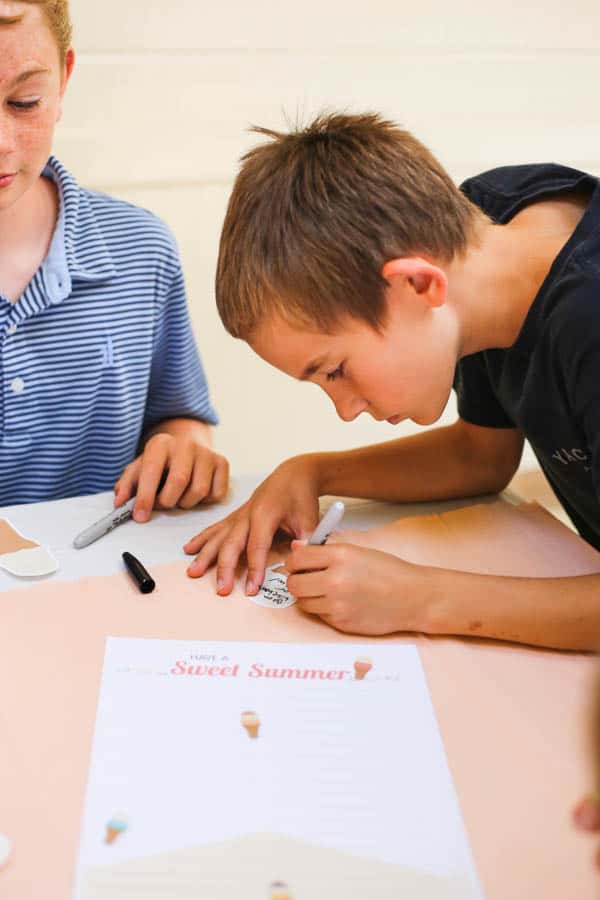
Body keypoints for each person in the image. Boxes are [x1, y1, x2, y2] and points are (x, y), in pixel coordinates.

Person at [185, 112, 600, 650]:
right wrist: (313, 472)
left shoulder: (588, 316)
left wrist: (420, 597)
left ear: (416, 284)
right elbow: (483, 455)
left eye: (334, 370)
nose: (345, 409)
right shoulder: (482, 232)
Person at [0, 0, 228, 518]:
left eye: (25, 101)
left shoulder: (142, 250)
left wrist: (183, 451)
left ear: (65, 78)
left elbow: (177, 418)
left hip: (103, 583)